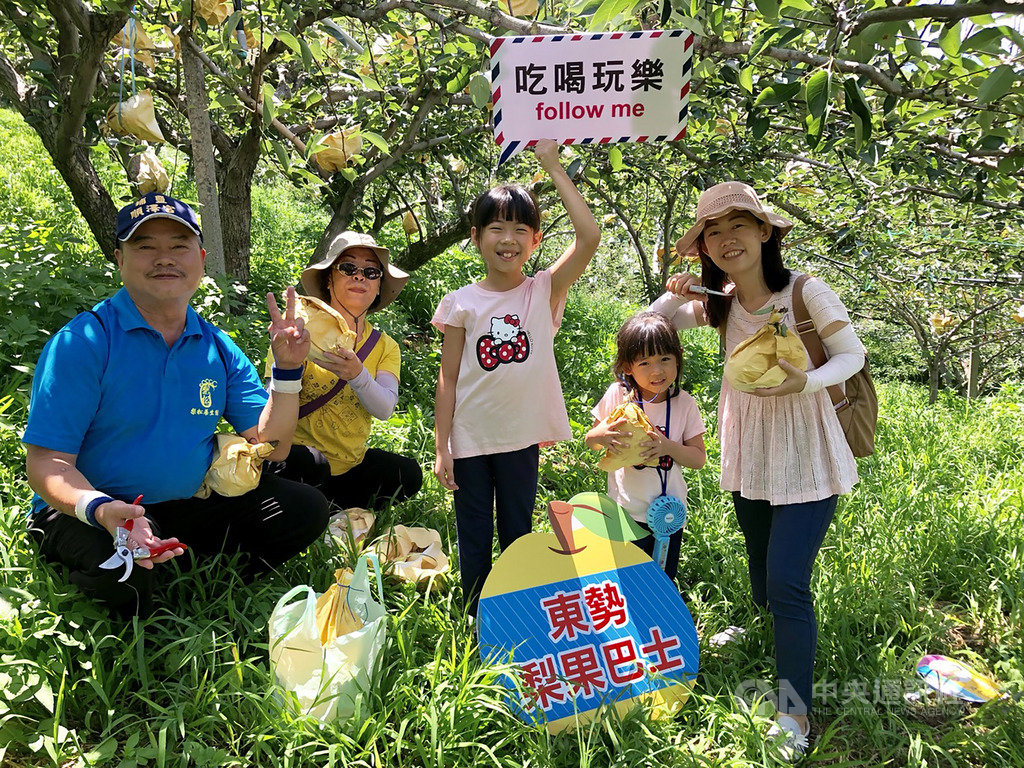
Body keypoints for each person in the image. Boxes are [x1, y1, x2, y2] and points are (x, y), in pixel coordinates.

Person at [22, 193, 329, 617]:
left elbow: (271, 446)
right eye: (145, 245)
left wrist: (288, 371)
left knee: (304, 507)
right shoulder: (84, 343)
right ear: (120, 259)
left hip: (181, 506)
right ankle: (141, 576)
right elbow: (47, 464)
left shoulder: (216, 347)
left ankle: (172, 566)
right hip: (89, 512)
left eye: (179, 246)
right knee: (123, 579)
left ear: (201, 259)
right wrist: (101, 509)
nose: (163, 258)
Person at [652, 181, 865, 758]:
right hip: (750, 449)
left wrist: (808, 381)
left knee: (788, 580)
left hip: (807, 452)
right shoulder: (718, 303)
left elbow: (853, 355)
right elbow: (652, 325)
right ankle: (760, 620)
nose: (726, 240)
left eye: (737, 226)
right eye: (711, 232)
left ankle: (793, 712)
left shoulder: (804, 292)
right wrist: (671, 297)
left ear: (765, 231)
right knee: (758, 550)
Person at [432, 139, 600, 617]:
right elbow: (448, 380)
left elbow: (589, 237)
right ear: (475, 236)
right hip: (470, 439)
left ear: (537, 239)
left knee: (517, 533)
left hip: (520, 440)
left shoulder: (544, 290)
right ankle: (474, 618)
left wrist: (552, 164)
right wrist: (442, 444)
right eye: (496, 227)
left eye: (520, 228)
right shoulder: (461, 301)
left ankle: (514, 614)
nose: (508, 238)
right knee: (473, 533)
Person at [266, 232, 422, 511]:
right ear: (329, 279)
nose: (359, 277)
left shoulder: (385, 346)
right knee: (310, 463)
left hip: (350, 466)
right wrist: (287, 364)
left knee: (407, 473)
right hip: (301, 462)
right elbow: (270, 409)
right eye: (348, 268)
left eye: (371, 272)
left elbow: (385, 408)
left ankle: (329, 509)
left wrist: (358, 375)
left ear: (378, 288)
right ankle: (317, 509)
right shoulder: (299, 334)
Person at [585, 311, 706, 580]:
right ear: (628, 366)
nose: (657, 371)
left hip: (668, 514)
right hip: (625, 513)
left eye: (665, 359)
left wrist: (667, 446)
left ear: (678, 358)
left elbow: (698, 458)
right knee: (625, 583)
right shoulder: (618, 395)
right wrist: (601, 435)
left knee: (662, 582)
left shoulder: (684, 403)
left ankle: (658, 623)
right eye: (645, 362)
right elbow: (590, 441)